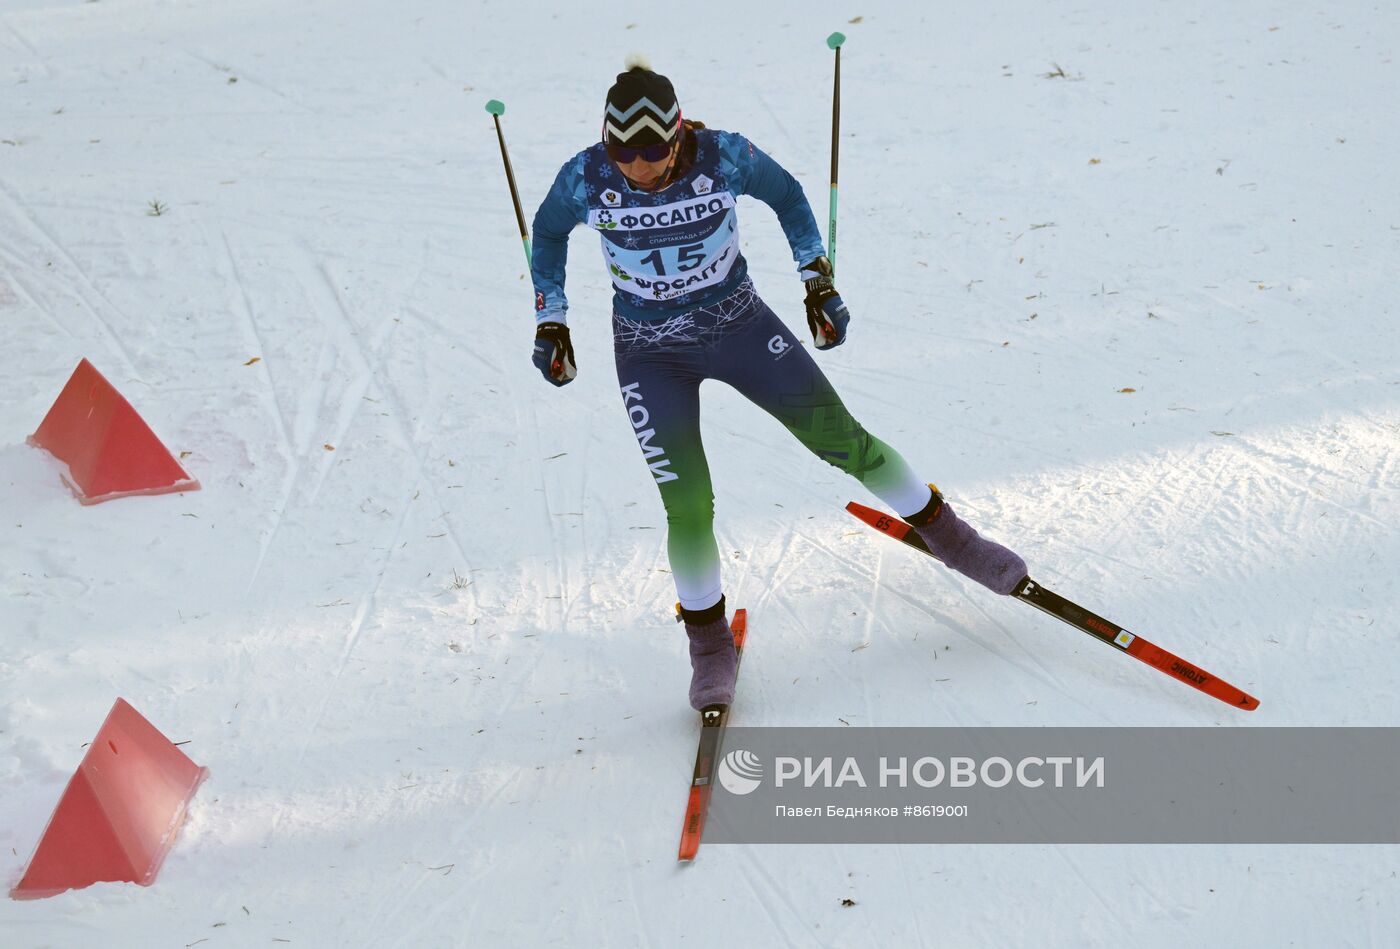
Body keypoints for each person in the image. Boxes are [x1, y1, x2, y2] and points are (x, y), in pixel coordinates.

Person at [528, 56, 1026, 713]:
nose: (637, 166)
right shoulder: (587, 176)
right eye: (623, 149)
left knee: (844, 441)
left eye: (651, 150)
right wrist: (552, 320)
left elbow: (787, 195)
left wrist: (816, 278)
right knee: (687, 502)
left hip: (739, 328)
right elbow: (548, 232)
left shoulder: (723, 157)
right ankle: (708, 646)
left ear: (677, 139)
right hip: (650, 355)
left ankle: (952, 538)